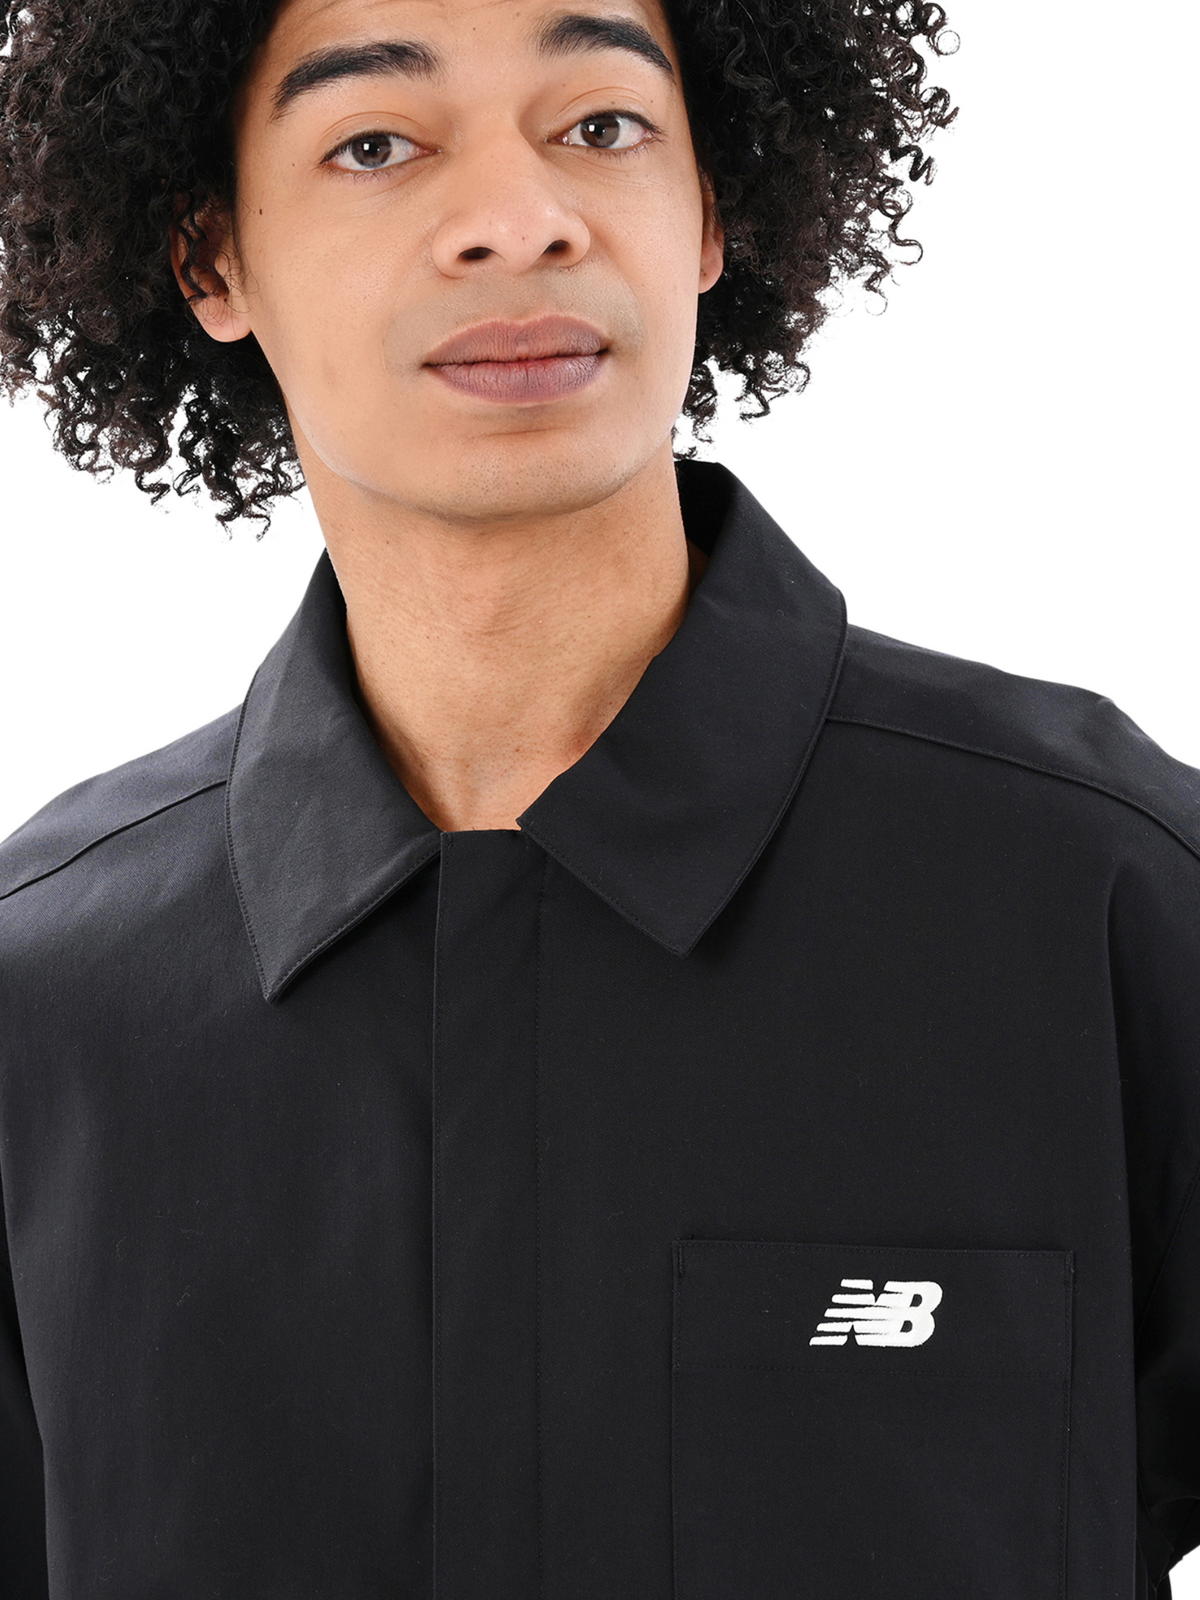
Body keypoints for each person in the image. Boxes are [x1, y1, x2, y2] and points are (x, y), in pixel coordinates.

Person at [0, 0, 1196, 1596]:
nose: (520, 220)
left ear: (710, 210)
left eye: (603, 127)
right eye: (376, 143)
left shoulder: (1111, 898)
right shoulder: (39, 1004)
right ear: (211, 256)